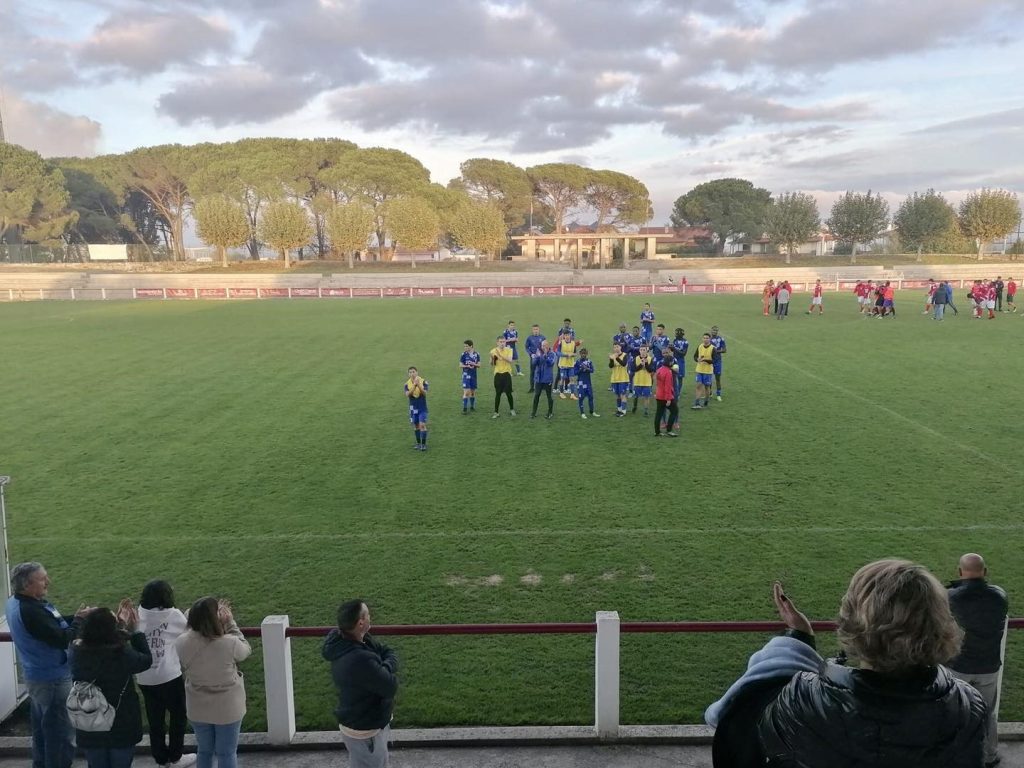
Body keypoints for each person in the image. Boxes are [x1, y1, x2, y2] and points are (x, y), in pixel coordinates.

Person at [707, 560, 986, 768]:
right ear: (940, 624)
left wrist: (798, 638)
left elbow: (733, 732)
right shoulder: (967, 707)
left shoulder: (799, 700)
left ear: (852, 623)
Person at [6, 562, 84, 768]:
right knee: (60, 735)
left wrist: (77, 618)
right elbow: (61, 638)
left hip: (37, 677)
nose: (48, 581)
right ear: (26, 585)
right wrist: (78, 622)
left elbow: (49, 626)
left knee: (42, 731)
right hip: (53, 680)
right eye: (42, 579)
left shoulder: (16, 602)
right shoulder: (31, 610)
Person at [70, 607, 153, 768]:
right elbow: (146, 660)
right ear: (111, 631)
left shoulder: (76, 651)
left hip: (89, 719)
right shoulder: (121, 653)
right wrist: (136, 632)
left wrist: (120, 629)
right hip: (120, 720)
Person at [947, 553, 1009, 768]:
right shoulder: (999, 596)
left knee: (955, 713)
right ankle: (990, 756)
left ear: (960, 572)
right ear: (985, 572)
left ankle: (955, 757)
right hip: (988, 667)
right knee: (987, 713)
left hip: (958, 667)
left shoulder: (950, 597)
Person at [175, 597, 251, 768]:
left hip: (198, 707)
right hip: (228, 708)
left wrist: (200, 613)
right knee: (227, 753)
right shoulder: (229, 643)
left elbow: (192, 629)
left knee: (204, 750)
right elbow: (245, 649)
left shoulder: (181, 643)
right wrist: (230, 624)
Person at [323, 600, 398, 768]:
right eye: (368, 614)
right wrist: (385, 666)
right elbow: (390, 685)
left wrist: (381, 666)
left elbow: (386, 651)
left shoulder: (348, 642)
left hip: (359, 724)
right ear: (361, 622)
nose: (371, 617)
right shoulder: (361, 659)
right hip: (366, 730)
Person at [128, 581, 194, 768]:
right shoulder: (173, 615)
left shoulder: (137, 614)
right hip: (169, 675)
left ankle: (160, 758)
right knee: (178, 715)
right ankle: (176, 757)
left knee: (155, 718)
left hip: (144, 677)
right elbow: (188, 631)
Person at [653, 351, 679, 437]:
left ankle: (657, 432)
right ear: (670, 362)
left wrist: (655, 393)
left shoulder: (659, 370)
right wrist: (668, 399)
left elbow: (657, 383)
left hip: (659, 395)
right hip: (665, 396)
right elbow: (667, 386)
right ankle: (669, 430)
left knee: (659, 413)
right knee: (675, 411)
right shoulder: (668, 372)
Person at [530, 339, 557, 419]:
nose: (543, 347)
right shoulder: (539, 353)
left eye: (545, 345)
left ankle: (550, 412)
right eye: (542, 345)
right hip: (539, 379)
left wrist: (545, 356)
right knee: (537, 395)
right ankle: (533, 412)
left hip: (547, 379)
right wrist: (536, 357)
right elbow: (534, 364)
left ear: (548, 346)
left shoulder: (552, 354)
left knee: (549, 396)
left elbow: (551, 363)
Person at [489, 336, 515, 418]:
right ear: (497, 342)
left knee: (509, 393)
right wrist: (492, 358)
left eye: (503, 341)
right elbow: (492, 364)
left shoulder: (509, 350)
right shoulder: (493, 351)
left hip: (507, 374)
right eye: (500, 342)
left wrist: (500, 355)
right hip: (498, 374)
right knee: (498, 394)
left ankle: (512, 409)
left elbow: (510, 360)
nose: (502, 343)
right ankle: (496, 412)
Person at [404, 366, 429, 451]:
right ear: (408, 374)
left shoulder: (423, 381)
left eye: (413, 372)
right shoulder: (407, 384)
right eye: (410, 372)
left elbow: (425, 393)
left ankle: (424, 444)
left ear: (417, 372)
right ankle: (418, 443)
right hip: (413, 408)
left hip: (422, 407)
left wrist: (418, 385)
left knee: (422, 425)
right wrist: (414, 386)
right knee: (416, 425)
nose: (412, 374)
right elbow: (407, 394)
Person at [692, 333, 717, 409]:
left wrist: (705, 360)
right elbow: (695, 356)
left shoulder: (713, 348)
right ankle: (697, 402)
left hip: (708, 371)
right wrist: (697, 359)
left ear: (710, 339)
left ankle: (706, 401)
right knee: (698, 385)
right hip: (699, 369)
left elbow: (714, 360)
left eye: (707, 338)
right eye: (704, 338)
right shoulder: (700, 346)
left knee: (706, 387)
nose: (705, 339)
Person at [554, 329, 580, 399]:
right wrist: (566, 355)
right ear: (564, 336)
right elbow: (558, 353)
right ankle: (561, 393)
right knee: (562, 379)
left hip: (570, 364)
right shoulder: (561, 343)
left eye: (568, 335)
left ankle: (572, 394)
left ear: (570, 335)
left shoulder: (573, 343)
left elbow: (575, 353)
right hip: (563, 364)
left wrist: (572, 355)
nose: (567, 336)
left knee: (572, 379)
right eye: (565, 335)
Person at [574, 347, 599, 418]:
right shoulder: (577, 362)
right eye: (582, 353)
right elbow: (575, 373)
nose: (583, 355)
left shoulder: (589, 362)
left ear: (587, 354)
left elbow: (592, 370)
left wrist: (587, 368)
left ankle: (592, 412)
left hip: (588, 383)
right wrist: (581, 369)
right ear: (580, 354)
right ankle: (582, 413)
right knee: (581, 398)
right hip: (581, 383)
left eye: (584, 354)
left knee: (591, 397)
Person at [631, 345, 655, 416]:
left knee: (646, 397)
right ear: (639, 351)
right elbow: (633, 369)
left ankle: (646, 411)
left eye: (644, 350)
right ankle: (635, 406)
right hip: (637, 381)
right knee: (636, 396)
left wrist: (646, 363)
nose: (642, 351)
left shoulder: (650, 359)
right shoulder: (636, 359)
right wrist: (641, 365)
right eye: (641, 350)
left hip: (647, 382)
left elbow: (651, 370)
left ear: (647, 351)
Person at [608, 343, 630, 416]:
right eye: (614, 347)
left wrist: (616, 358)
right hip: (615, 379)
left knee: (622, 395)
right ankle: (619, 410)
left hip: (623, 379)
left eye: (617, 347)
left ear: (620, 347)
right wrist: (611, 359)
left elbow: (624, 364)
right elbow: (611, 366)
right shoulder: (613, 356)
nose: (616, 348)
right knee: (617, 395)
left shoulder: (625, 355)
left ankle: (623, 411)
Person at [459, 340, 480, 414]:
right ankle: (464, 408)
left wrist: (473, 364)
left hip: (473, 375)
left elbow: (479, 365)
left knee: (472, 392)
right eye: (464, 346)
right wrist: (466, 365)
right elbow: (460, 365)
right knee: (467, 392)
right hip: (466, 375)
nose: (465, 347)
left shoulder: (476, 354)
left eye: (466, 346)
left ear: (471, 346)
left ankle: (472, 407)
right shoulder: (463, 354)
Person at [523, 325, 545, 393]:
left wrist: (543, 354)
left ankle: (542, 386)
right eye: (534, 329)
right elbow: (526, 347)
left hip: (541, 358)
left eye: (537, 329)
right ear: (532, 330)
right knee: (532, 372)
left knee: (541, 371)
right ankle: (532, 387)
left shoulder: (543, 337)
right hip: (533, 358)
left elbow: (545, 347)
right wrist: (531, 354)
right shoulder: (529, 338)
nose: (535, 331)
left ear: (539, 330)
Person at [709, 326, 726, 401]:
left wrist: (717, 351)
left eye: (716, 330)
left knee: (717, 378)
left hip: (718, 361)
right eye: (713, 330)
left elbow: (725, 350)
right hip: (710, 361)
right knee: (709, 378)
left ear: (717, 331)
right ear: (711, 331)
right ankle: (710, 392)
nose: (714, 332)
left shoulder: (721, 339)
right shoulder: (708, 339)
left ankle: (718, 394)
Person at [670, 328, 689, 399]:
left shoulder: (685, 342)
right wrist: (671, 347)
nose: (675, 334)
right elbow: (673, 350)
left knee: (680, 377)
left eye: (676, 333)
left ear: (680, 334)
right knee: (673, 376)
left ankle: (678, 392)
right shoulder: (675, 340)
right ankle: (674, 391)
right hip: (674, 360)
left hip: (680, 361)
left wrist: (674, 348)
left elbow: (683, 353)